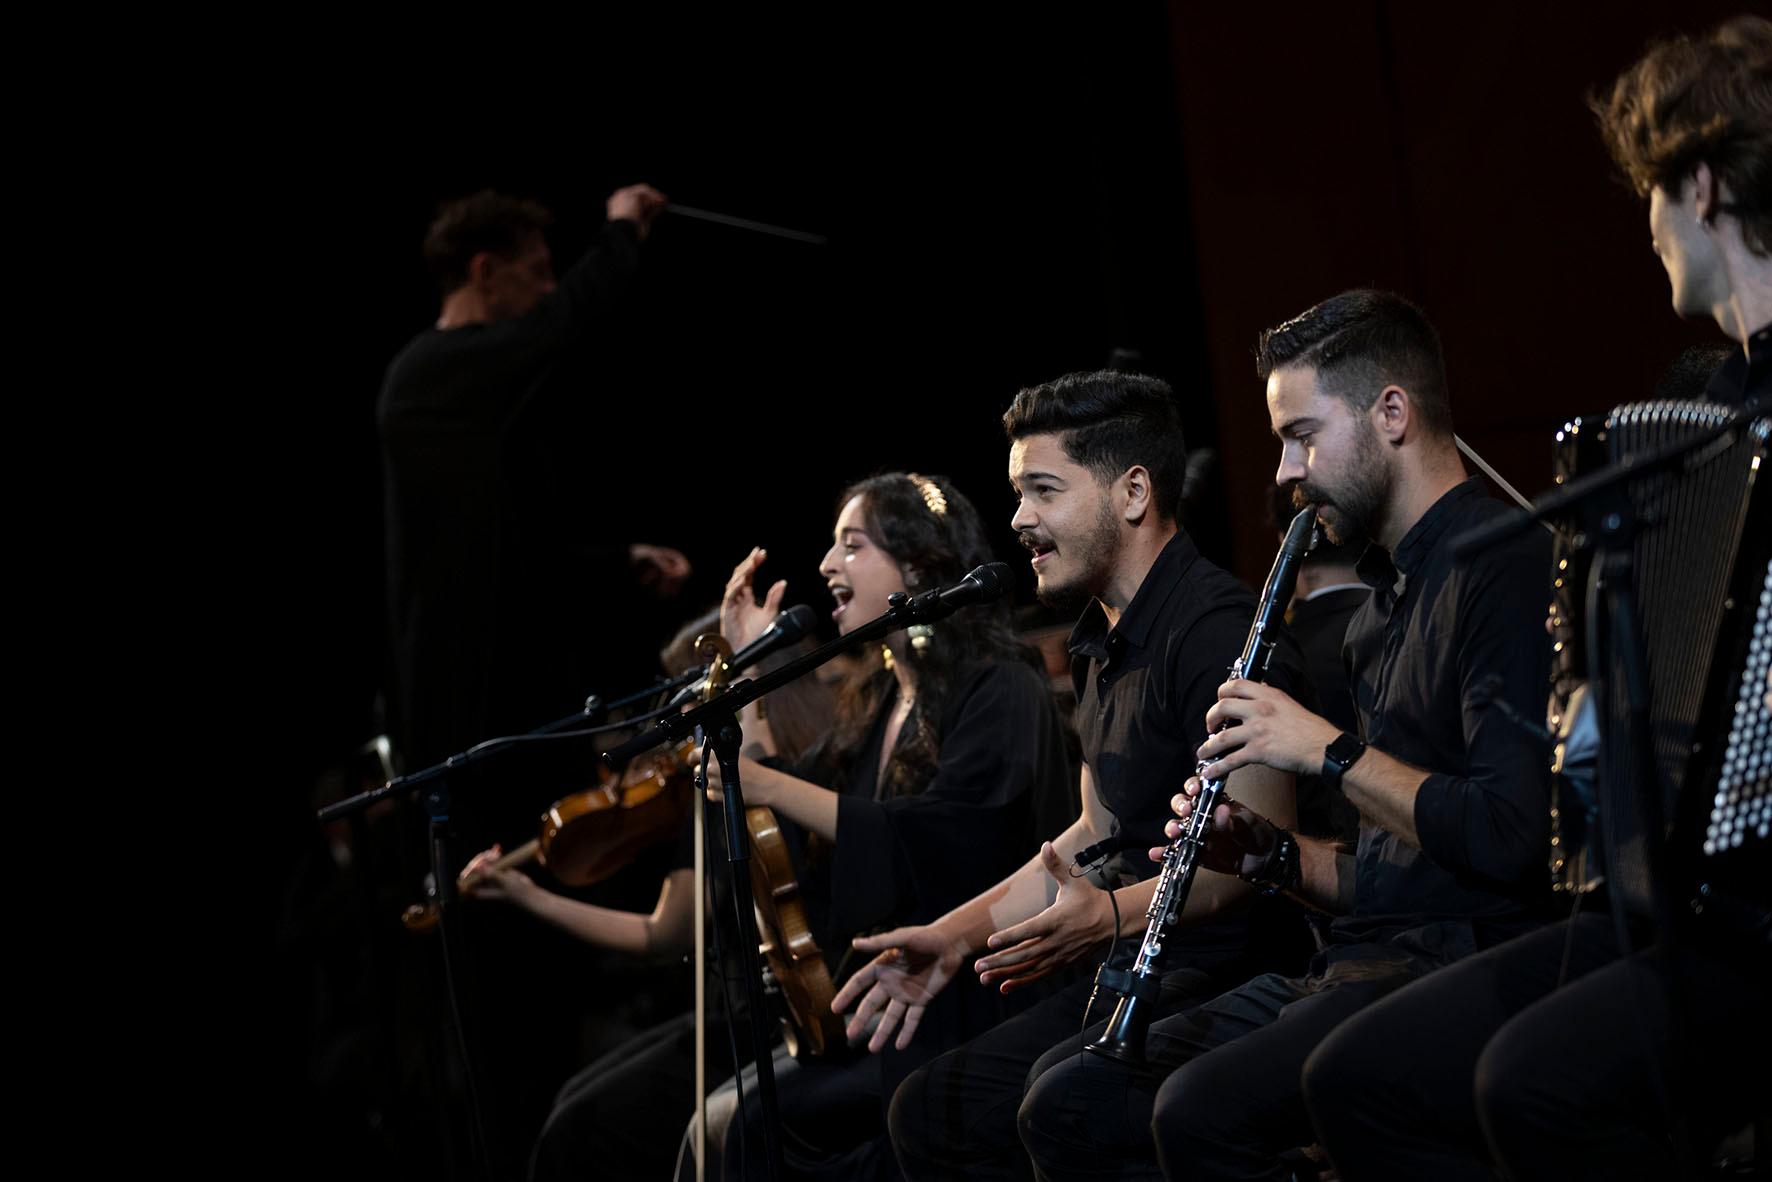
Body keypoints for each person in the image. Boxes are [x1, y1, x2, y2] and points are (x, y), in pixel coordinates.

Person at [1301, 19, 1771, 1180]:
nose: (1648, 226)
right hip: (1690, 896)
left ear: (1698, 184)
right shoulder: (1705, 416)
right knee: (1365, 1074)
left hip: (1753, 908)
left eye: (1651, 196)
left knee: (1532, 1085)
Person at [1008, 291, 1554, 1181]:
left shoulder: (1503, 563)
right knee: (1072, 1100)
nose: (1285, 472)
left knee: (1195, 1113)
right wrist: (1268, 856)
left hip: (1470, 959)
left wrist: (1326, 750)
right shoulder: (1383, 611)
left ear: (1391, 413)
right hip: (1362, 959)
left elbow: (1507, 835)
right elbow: (1385, 869)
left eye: (1302, 435)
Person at [469, 472, 1073, 1182]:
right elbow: (795, 832)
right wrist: (743, 662)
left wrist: (765, 780)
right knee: (715, 1122)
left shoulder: (1001, 683)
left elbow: (949, 841)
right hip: (894, 1007)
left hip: (972, 997)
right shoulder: (879, 700)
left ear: (917, 565)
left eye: (851, 546)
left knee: (747, 1127)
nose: (825, 566)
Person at [829, 371, 1319, 1182]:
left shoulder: (1217, 629)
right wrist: (951, 939)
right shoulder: (1097, 635)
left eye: (1042, 491)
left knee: (1059, 1106)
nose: (1019, 519)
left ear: (1132, 492)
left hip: (1231, 968)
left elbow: (1253, 865)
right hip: (1139, 957)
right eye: (1018, 493)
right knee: (928, 1109)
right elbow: (1095, 831)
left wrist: (1110, 920)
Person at [378, 184, 689, 782]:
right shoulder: (426, 376)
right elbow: (560, 319)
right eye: (538, 271)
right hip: (466, 716)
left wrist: (620, 562)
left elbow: (513, 549)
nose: (548, 287)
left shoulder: (486, 405)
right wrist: (621, 230)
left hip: (527, 694)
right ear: (485, 272)